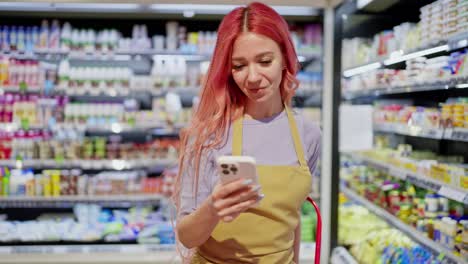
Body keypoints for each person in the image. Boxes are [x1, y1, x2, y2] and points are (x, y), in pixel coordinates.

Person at [173, 2, 321, 263]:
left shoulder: (308, 135)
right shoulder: (209, 134)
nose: (252, 77)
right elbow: (186, 236)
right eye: (239, 66)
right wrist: (213, 208)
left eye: (265, 61)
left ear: (286, 58)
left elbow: (292, 218)